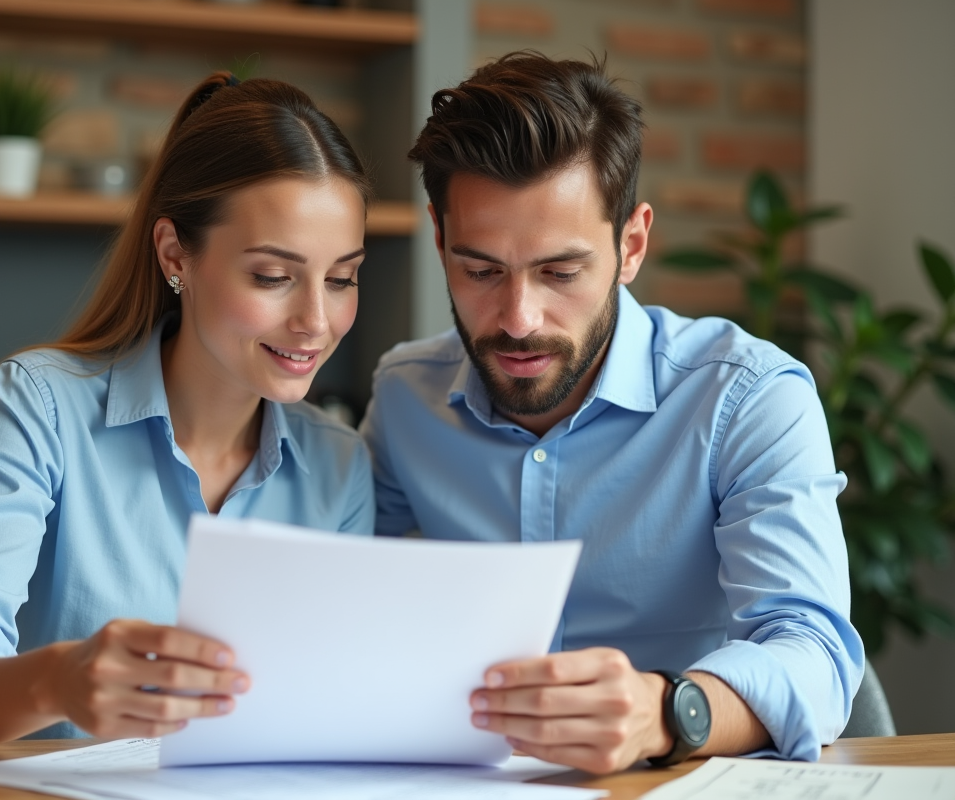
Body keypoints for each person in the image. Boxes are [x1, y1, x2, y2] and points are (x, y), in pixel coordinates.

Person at [360, 52, 864, 774]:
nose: (519, 318)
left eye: (560, 272)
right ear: (438, 239)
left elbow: (814, 652)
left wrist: (665, 711)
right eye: (481, 270)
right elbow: (330, 599)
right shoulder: (406, 397)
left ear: (630, 245)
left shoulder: (749, 398)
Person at [0, 73, 376, 746]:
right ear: (177, 255)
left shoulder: (338, 466)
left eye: (343, 278)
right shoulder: (40, 405)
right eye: (272, 276)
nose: (317, 320)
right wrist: (59, 681)